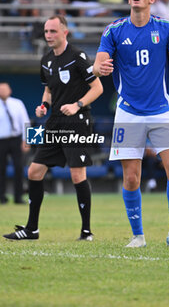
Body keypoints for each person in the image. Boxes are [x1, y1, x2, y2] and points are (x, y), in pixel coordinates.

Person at [93, 0, 169, 248]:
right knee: (131, 177)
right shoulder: (114, 30)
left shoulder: (165, 28)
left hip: (161, 110)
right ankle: (138, 236)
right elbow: (98, 64)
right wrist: (100, 70)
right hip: (128, 112)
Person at [3, 15, 103, 241]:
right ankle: (32, 229)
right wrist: (43, 106)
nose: (48, 35)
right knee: (34, 171)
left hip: (77, 122)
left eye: (53, 31)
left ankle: (86, 231)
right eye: (46, 32)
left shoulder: (77, 56)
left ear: (64, 32)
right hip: (54, 122)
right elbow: (48, 90)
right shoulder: (46, 60)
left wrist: (77, 105)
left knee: (77, 174)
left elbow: (97, 88)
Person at [0, 82, 30, 204]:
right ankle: (1, 197)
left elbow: (26, 122)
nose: (2, 91)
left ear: (10, 90)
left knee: (19, 167)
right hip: (1, 141)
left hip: (16, 139)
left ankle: (18, 197)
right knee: (1, 169)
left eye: (4, 89)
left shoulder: (17, 103)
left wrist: (28, 142)